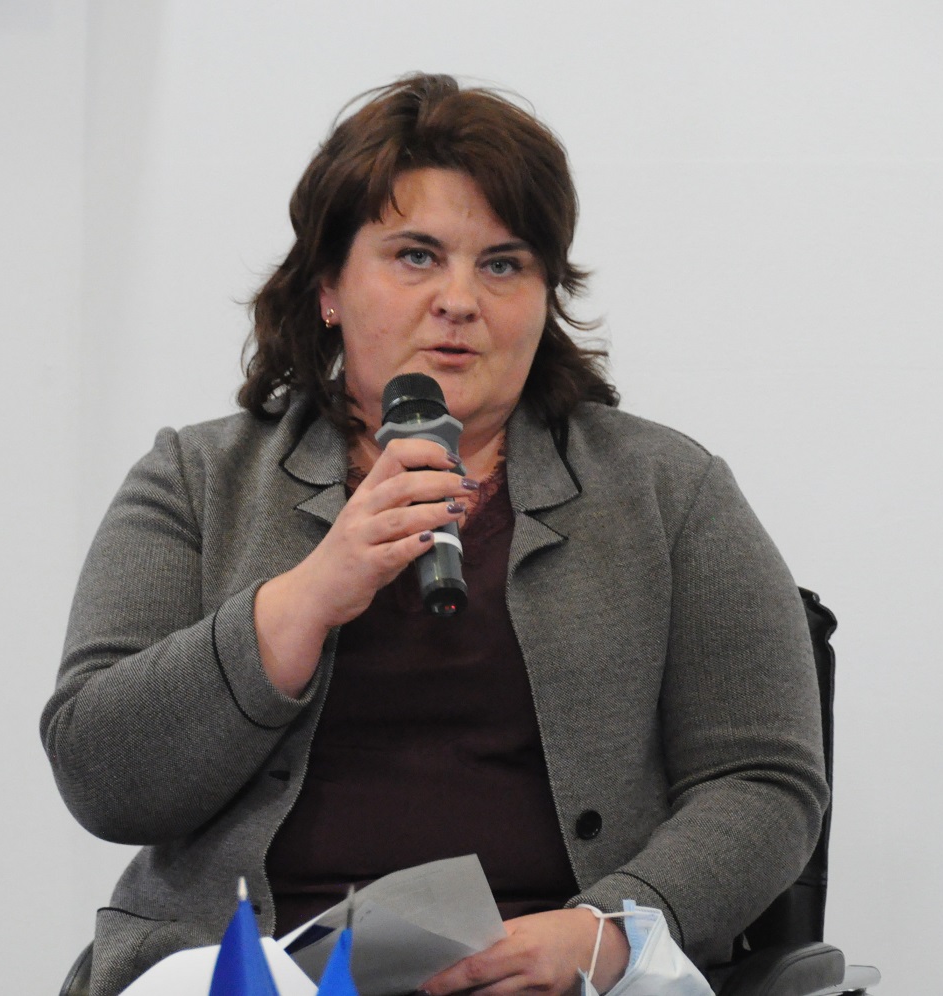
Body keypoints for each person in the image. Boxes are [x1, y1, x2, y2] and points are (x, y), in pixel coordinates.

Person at [42, 73, 828, 996]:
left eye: (503, 265)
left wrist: (608, 931)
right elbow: (102, 777)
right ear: (328, 287)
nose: (460, 299)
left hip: (545, 972)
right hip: (252, 972)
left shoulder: (669, 490)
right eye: (416, 256)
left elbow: (763, 779)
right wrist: (301, 601)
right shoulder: (196, 478)